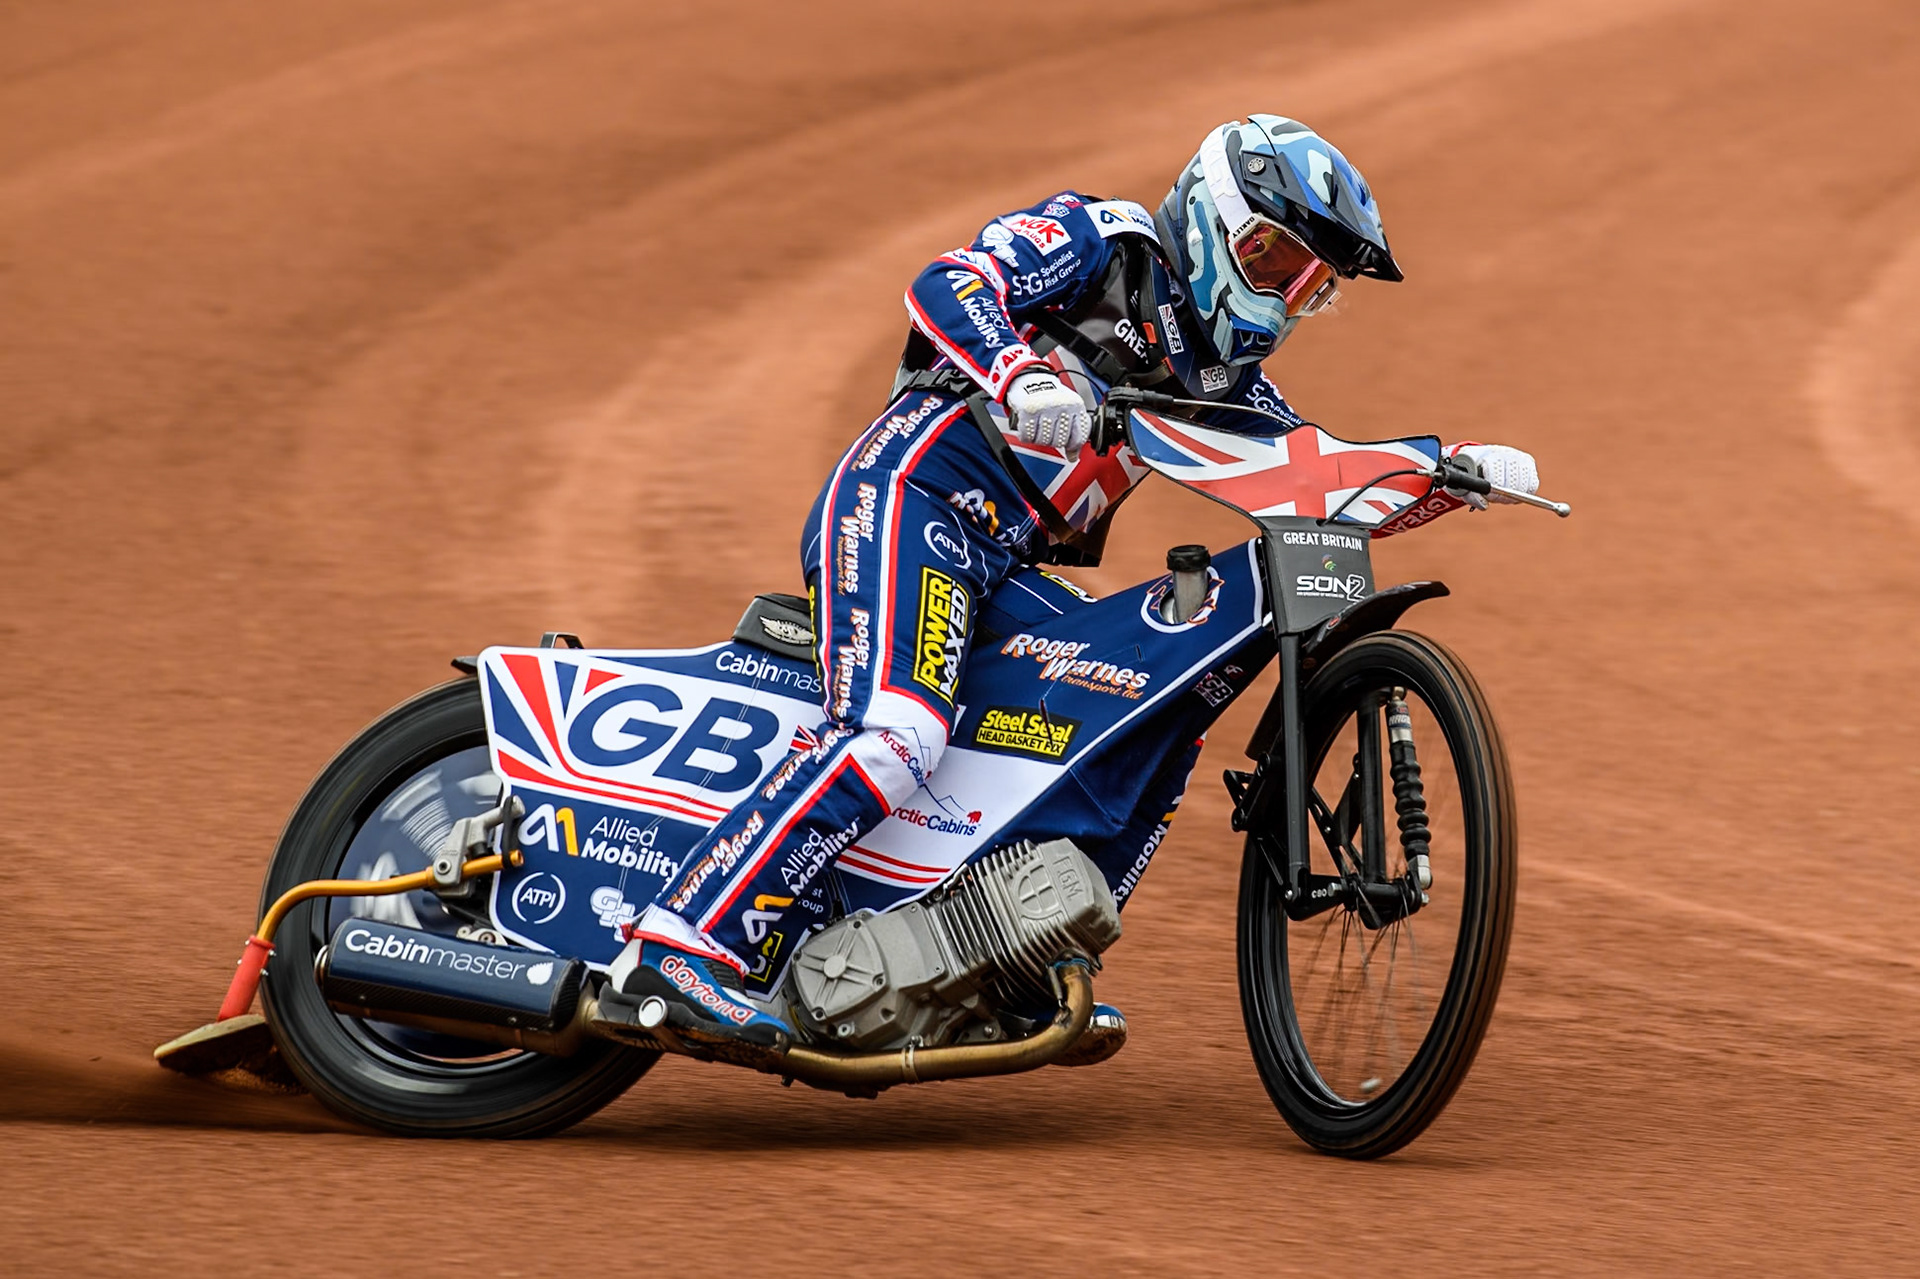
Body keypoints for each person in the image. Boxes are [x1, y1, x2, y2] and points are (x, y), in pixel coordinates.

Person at [609, 114, 1540, 1056]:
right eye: (1271, 258)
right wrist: (1014, 372)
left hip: (1001, 562)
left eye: (1309, 285)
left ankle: (992, 955)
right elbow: (950, 281)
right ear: (1213, 217)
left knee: (1132, 703)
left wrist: (1443, 467)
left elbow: (1312, 474)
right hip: (907, 498)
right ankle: (681, 940)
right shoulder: (1107, 241)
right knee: (899, 733)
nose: (1284, 298)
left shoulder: (1226, 381)